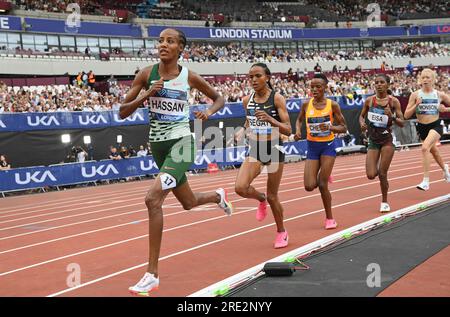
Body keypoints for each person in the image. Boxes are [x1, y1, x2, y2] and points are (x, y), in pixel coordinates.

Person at [119, 28, 233, 296]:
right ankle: (218, 197)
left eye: (170, 41)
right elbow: (122, 112)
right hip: (158, 146)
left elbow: (219, 98)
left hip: (182, 144)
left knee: (152, 199)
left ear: (181, 48)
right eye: (160, 40)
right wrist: (146, 95)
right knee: (189, 203)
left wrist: (207, 111)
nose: (163, 45)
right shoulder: (146, 74)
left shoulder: (188, 76)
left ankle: (151, 274)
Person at [234, 63, 292, 248]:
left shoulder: (277, 98)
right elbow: (250, 118)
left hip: (275, 148)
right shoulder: (246, 100)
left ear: (267, 77)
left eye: (257, 76)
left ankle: (281, 231)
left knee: (274, 195)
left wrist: (271, 120)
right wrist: (243, 130)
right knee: (240, 187)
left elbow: (288, 129)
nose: (253, 80)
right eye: (250, 77)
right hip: (256, 148)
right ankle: (260, 199)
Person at [294, 73, 347, 229]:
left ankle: (330, 218)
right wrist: (298, 130)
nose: (314, 90)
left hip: (328, 146)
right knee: (309, 186)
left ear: (325, 88)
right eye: (312, 87)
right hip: (312, 147)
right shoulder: (306, 104)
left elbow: (343, 127)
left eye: (318, 87)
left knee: (322, 184)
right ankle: (325, 171)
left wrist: (330, 127)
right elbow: (299, 119)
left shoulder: (333, 105)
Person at [359, 74, 405, 212]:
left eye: (381, 82)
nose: (378, 85)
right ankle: (380, 170)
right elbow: (361, 116)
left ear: (387, 85)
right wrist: (362, 123)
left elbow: (402, 123)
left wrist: (392, 116)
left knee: (382, 173)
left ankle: (384, 201)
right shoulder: (369, 101)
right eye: (376, 82)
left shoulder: (393, 102)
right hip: (373, 140)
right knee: (371, 174)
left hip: (387, 140)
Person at [404, 68, 450, 190]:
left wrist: (445, 110)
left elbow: (447, 107)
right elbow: (406, 115)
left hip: (435, 125)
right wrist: (416, 105)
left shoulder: (439, 94)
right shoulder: (415, 95)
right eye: (423, 77)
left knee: (425, 149)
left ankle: (425, 181)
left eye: (427, 77)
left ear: (433, 80)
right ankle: (445, 168)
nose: (425, 80)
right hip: (422, 127)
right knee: (434, 152)